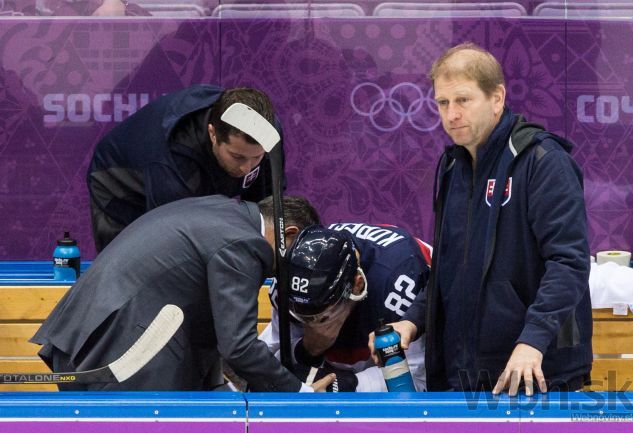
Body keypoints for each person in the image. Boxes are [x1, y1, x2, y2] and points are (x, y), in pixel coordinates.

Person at [370, 43, 592, 396]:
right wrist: (412, 322)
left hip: (535, 372)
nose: (451, 114)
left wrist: (532, 341)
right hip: (461, 372)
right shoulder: (453, 166)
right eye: (443, 103)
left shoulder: (542, 161)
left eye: (463, 100)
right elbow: (446, 268)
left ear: (497, 98)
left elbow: (569, 262)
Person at [31, 195, 334, 392]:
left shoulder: (221, 210)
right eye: (297, 260)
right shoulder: (244, 242)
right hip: (121, 350)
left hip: (87, 336)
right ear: (290, 233)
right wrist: (300, 395)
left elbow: (212, 325)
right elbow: (238, 346)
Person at [87, 84, 284, 252]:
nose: (247, 168)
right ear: (213, 134)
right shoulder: (174, 158)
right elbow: (172, 241)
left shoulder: (267, 134)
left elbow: (266, 212)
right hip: (121, 183)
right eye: (237, 156)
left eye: (256, 157)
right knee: (130, 265)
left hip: (190, 175)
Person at [260, 223, 431, 392]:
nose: (311, 324)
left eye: (321, 316)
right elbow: (267, 356)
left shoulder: (400, 285)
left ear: (358, 285)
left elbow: (417, 380)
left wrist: (346, 386)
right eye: (302, 317)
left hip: (407, 328)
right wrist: (307, 350)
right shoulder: (288, 284)